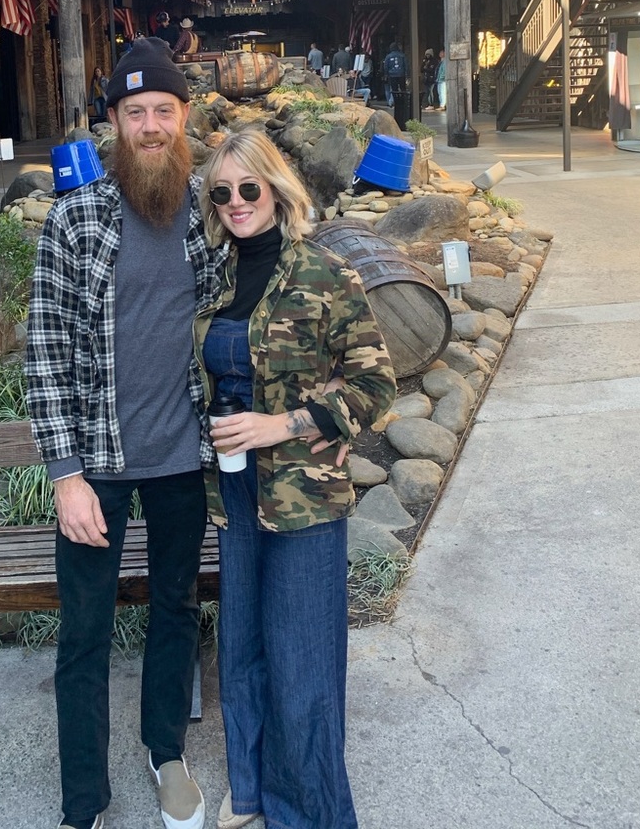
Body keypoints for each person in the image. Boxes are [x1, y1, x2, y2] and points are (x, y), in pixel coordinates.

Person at [25, 36, 223, 829]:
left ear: (184, 118)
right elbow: (43, 353)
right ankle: (85, 800)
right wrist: (66, 475)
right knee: (86, 634)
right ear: (111, 122)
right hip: (97, 468)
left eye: (163, 112)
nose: (149, 126)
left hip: (180, 457)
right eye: (134, 112)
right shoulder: (76, 220)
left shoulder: (211, 211)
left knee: (176, 609)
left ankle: (166, 753)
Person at [194, 129, 396, 829]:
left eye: (248, 188)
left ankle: (309, 812)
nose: (236, 202)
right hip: (233, 489)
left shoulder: (323, 273)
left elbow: (376, 384)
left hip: (302, 494)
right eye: (221, 193)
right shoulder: (217, 278)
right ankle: (250, 788)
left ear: (276, 190)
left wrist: (286, 425)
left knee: (303, 659)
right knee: (243, 647)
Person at [383, 42, 408, 108]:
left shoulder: (388, 56)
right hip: (401, 74)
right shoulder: (402, 55)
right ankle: (403, 102)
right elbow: (406, 65)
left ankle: (397, 103)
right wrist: (407, 74)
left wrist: (386, 74)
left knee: (394, 90)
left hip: (392, 75)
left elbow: (385, 66)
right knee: (403, 89)